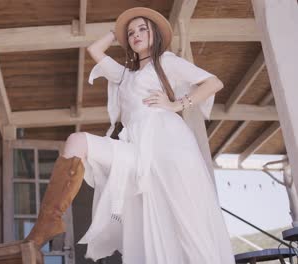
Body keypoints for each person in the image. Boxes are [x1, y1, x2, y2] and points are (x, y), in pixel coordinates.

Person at [25, 7, 235, 264]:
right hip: (135, 146)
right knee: (77, 141)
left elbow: (214, 82)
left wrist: (177, 104)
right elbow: (95, 51)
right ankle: (49, 222)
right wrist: (117, 31)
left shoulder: (166, 61)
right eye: (131, 33)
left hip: (168, 142)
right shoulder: (124, 75)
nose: (135, 35)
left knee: (184, 215)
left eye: (142, 29)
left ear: (154, 34)